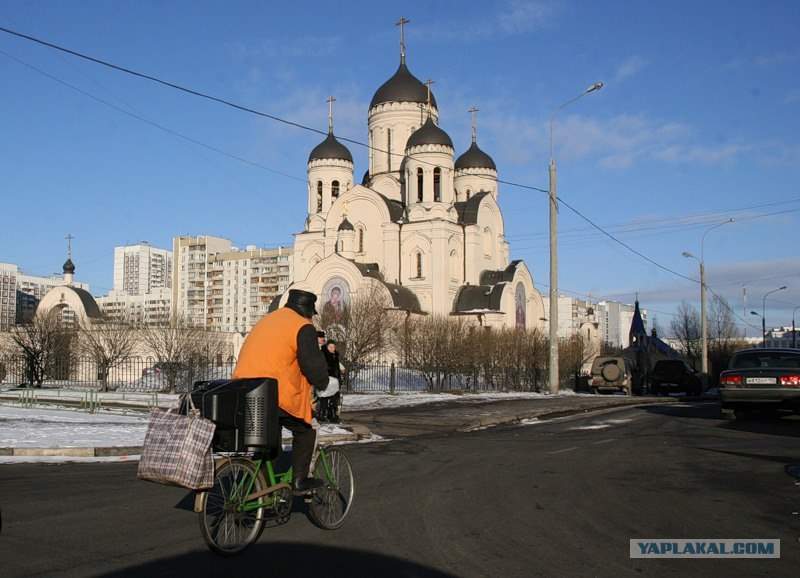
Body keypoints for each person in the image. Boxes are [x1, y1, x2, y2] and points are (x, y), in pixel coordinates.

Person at [233, 289, 329, 493]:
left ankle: (264, 490)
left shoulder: (268, 319)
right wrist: (323, 382)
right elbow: (313, 366)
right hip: (274, 392)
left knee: (268, 440)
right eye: (312, 313)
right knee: (305, 430)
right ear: (307, 311)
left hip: (243, 388)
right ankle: (300, 480)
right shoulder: (302, 326)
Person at [319, 340, 342, 423]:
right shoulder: (323, 354)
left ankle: (332, 415)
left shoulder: (335, 355)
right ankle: (322, 414)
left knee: (334, 398)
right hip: (326, 378)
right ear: (327, 347)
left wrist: (339, 378)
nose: (332, 349)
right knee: (324, 397)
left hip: (334, 380)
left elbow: (337, 368)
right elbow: (321, 366)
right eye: (330, 347)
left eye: (333, 347)